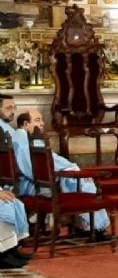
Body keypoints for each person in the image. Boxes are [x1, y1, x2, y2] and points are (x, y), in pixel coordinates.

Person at [0, 98, 111, 239]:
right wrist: (73, 168)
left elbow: (49, 161)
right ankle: (94, 228)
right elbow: (42, 165)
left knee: (72, 176)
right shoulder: (25, 140)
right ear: (26, 124)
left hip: (27, 182)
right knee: (80, 180)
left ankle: (84, 224)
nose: (42, 123)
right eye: (38, 120)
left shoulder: (20, 137)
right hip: (35, 185)